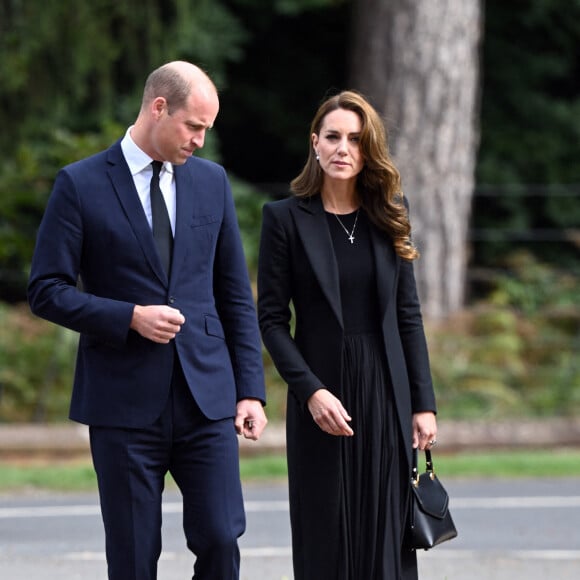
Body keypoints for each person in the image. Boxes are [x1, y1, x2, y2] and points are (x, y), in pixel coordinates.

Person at [28, 61, 267, 580]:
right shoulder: (80, 183)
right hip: (122, 403)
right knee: (134, 557)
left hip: (207, 398)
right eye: (194, 126)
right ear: (159, 107)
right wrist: (128, 317)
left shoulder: (212, 182)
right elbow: (46, 292)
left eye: (207, 128)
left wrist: (250, 389)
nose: (201, 140)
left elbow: (234, 296)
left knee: (223, 539)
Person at [257, 90, 437, 580]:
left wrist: (423, 402)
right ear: (315, 143)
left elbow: (408, 314)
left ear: (368, 149)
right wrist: (310, 391)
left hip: (385, 391)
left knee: (383, 531)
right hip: (322, 396)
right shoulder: (284, 219)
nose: (343, 148)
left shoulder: (390, 213)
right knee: (326, 532)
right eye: (333, 137)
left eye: (355, 139)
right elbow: (271, 320)